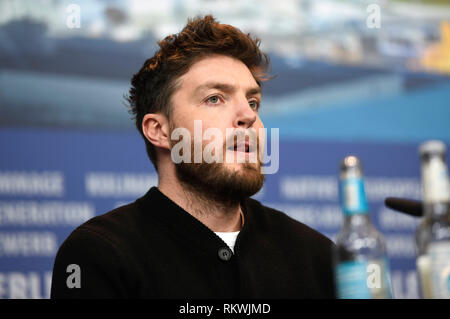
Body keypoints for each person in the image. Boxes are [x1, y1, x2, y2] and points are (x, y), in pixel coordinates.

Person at [50, 15, 336, 299]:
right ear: (160, 131)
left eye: (253, 102)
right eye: (214, 98)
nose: (249, 115)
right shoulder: (100, 255)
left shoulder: (318, 257)